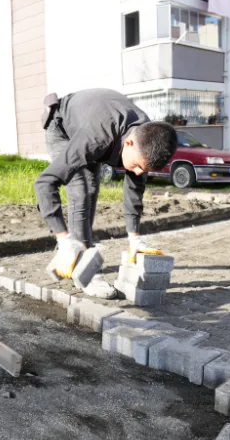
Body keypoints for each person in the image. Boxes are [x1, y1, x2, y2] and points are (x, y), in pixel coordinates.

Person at [34, 89, 178, 297]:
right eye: (137, 165)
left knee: (92, 187)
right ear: (128, 143)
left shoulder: (146, 136)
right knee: (82, 187)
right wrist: (63, 239)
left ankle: (72, 257)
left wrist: (134, 238)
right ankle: (84, 270)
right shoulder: (96, 137)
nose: (138, 172)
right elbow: (45, 183)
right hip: (63, 127)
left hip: (96, 122)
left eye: (144, 169)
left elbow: (135, 187)